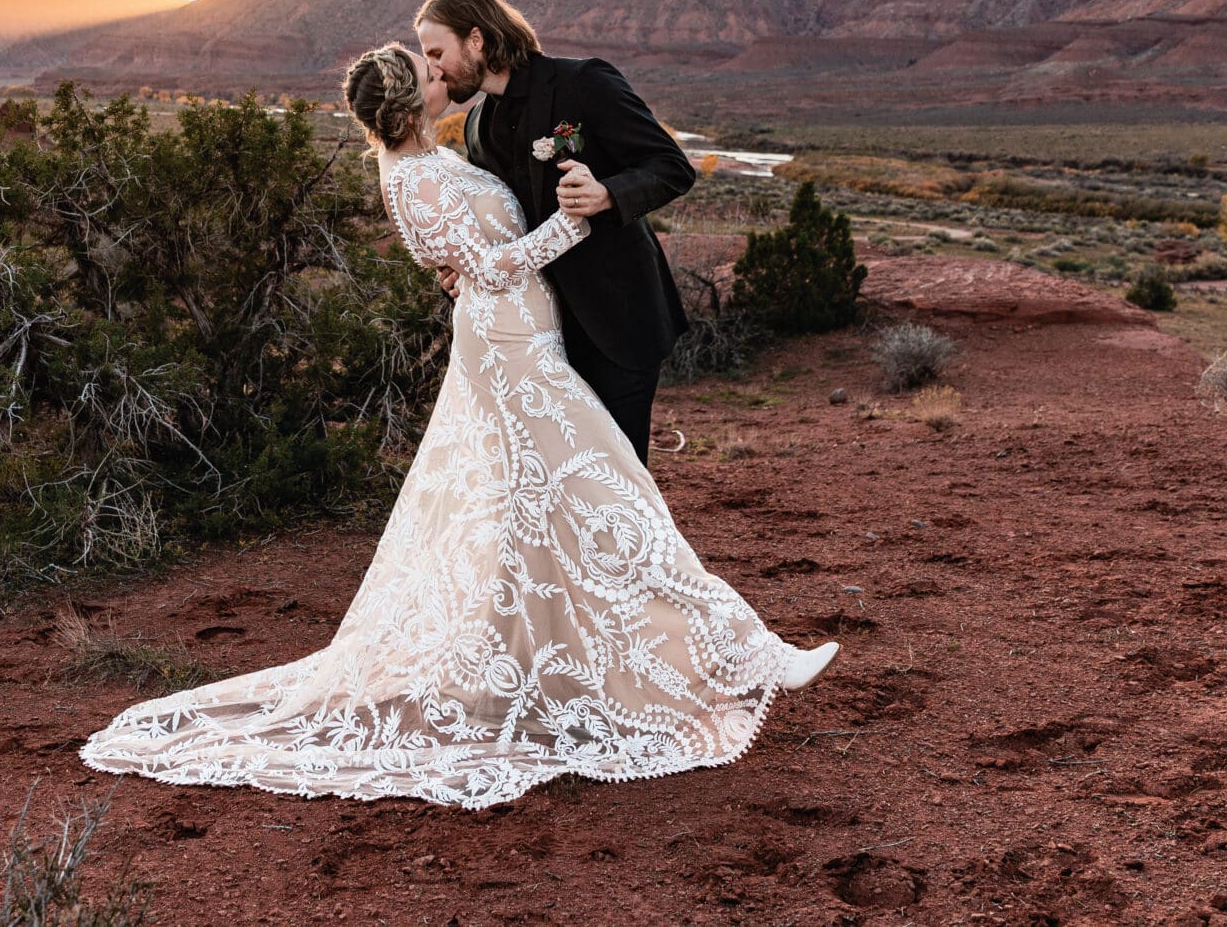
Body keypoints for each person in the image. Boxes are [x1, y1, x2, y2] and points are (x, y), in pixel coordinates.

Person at [80, 42, 836, 808]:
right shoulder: (412, 179)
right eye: (431, 75)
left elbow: (482, 249)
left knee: (546, 514)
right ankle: (754, 654)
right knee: (614, 494)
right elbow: (498, 268)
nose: (444, 78)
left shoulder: (441, 155)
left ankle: (579, 664)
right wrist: (577, 220)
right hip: (512, 359)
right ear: (411, 108)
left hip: (531, 342)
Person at [415, 0, 693, 464]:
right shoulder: (476, 127)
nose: (433, 67)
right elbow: (504, 222)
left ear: (476, 39)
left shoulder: (585, 82)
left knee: (621, 479)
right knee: (565, 479)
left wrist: (608, 192)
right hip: (540, 337)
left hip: (618, 322)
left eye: (437, 51)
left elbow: (672, 167)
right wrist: (465, 266)